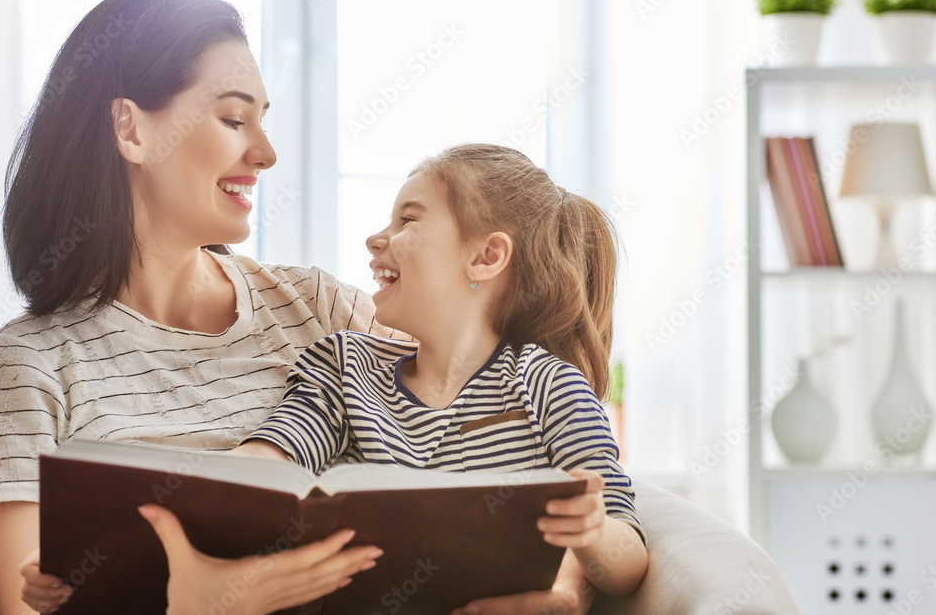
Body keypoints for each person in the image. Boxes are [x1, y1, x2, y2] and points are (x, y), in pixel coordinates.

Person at [0, 0, 599, 615]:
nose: (265, 154)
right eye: (235, 120)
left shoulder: (318, 309)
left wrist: (563, 587)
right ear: (130, 128)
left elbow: (517, 444)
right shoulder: (14, 374)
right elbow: (22, 605)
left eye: (263, 121)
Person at [234, 143, 650, 602]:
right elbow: (267, 468)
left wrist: (593, 531)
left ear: (486, 257)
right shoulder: (343, 366)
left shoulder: (550, 386)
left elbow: (628, 562)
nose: (376, 239)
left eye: (407, 220)